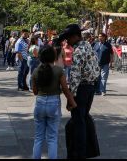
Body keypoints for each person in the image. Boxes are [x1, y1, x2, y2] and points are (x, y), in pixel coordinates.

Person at [60, 24, 100, 160]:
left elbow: (75, 76)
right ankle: (88, 150)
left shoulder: (78, 51)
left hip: (81, 88)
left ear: (75, 36)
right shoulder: (88, 46)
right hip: (90, 86)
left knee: (78, 121)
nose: (67, 41)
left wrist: (71, 96)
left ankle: (79, 153)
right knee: (82, 118)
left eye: (68, 38)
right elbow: (96, 68)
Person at [31, 45, 76, 159]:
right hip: (54, 103)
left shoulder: (36, 71)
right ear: (53, 56)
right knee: (52, 138)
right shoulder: (58, 70)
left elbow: (35, 92)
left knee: (38, 138)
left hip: (40, 102)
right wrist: (72, 102)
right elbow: (65, 89)